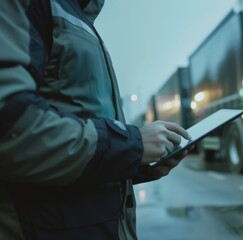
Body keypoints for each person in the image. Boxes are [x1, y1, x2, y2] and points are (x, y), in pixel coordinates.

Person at [0, 0, 191, 239]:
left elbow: (79, 140)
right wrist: (133, 145)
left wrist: (137, 162)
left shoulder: (80, 20)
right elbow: (11, 129)